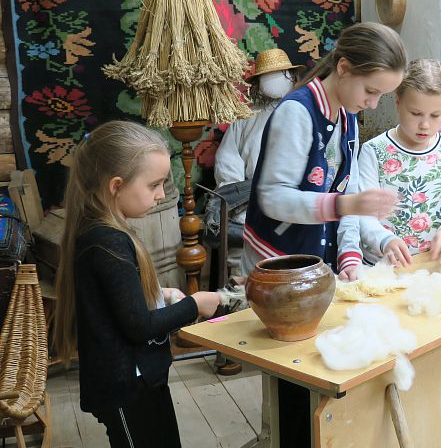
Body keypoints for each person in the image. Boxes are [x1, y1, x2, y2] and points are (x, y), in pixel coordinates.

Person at [53, 121, 222, 448]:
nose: (161, 195)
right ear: (116, 185)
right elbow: (139, 326)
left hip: (141, 379)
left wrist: (160, 294)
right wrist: (195, 305)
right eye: (154, 184)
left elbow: (117, 300)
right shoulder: (107, 242)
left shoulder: (106, 233)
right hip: (125, 387)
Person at [243, 22, 406, 282]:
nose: (373, 104)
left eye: (381, 96)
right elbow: (274, 198)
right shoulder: (297, 112)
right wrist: (344, 205)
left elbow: (348, 191)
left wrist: (349, 256)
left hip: (316, 263)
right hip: (276, 264)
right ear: (343, 68)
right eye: (370, 91)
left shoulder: (347, 115)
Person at [357, 59, 441, 267]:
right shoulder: (374, 151)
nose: (425, 124)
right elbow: (364, 214)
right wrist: (384, 240)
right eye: (416, 113)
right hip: (382, 267)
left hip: (430, 264)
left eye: (435, 115)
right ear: (398, 103)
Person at [212, 48, 305, 275]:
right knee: (249, 273)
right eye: (268, 76)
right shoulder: (245, 118)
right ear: (258, 83)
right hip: (251, 205)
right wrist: (242, 205)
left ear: (292, 76)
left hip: (299, 205)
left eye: (280, 74)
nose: (275, 80)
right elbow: (227, 165)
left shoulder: (305, 113)